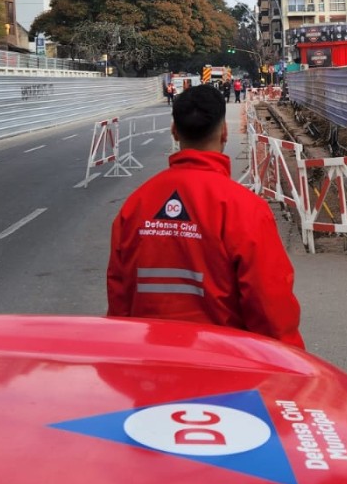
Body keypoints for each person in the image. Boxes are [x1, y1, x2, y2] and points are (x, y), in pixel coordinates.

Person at [106, 84, 305, 348]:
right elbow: (270, 308)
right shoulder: (245, 209)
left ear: (174, 131)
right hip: (222, 372)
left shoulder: (136, 205)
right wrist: (290, 364)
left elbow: (119, 301)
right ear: (224, 133)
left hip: (150, 369)